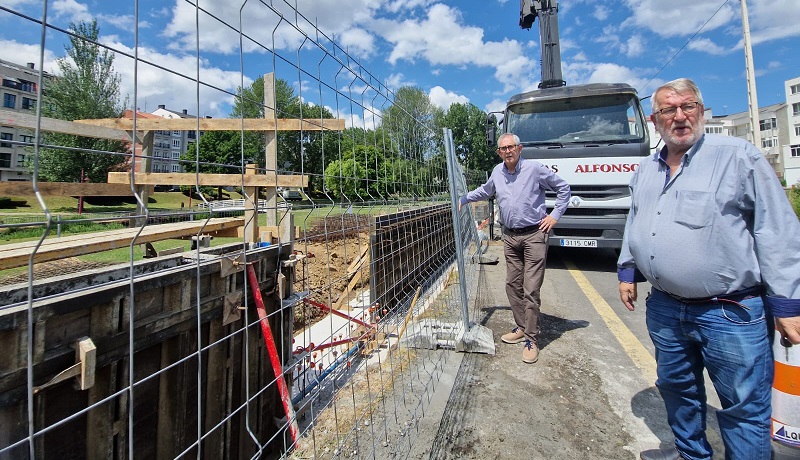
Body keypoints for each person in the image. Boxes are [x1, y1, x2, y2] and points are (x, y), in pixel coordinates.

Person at [617, 78, 800, 460]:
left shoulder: (738, 156)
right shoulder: (646, 170)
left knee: (743, 408)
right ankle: (691, 455)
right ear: (655, 120)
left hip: (730, 312)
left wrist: (787, 302)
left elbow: (776, 229)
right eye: (669, 109)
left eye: (689, 107)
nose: (680, 116)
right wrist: (627, 270)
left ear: (701, 111)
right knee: (677, 389)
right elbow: (636, 223)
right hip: (666, 308)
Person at [460, 132, 570, 363]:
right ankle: (521, 327)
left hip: (534, 235)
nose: (507, 151)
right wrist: (464, 198)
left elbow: (563, 188)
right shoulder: (497, 172)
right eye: (503, 149)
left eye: (511, 147)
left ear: (520, 148)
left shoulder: (534, 169)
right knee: (512, 285)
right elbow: (485, 190)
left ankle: (531, 337)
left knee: (530, 288)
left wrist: (554, 216)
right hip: (510, 237)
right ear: (499, 152)